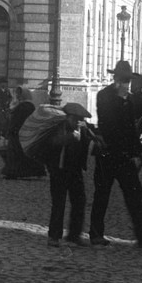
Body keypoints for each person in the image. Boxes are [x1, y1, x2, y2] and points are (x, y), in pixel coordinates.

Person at [88, 60, 142, 248]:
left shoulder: (129, 100)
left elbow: (131, 130)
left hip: (124, 157)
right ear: (115, 78)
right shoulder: (104, 96)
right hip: (107, 154)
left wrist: (139, 152)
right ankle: (96, 234)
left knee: (134, 195)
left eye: (128, 80)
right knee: (102, 195)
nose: (126, 83)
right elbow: (108, 125)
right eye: (123, 79)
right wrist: (120, 100)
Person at [45, 102, 96, 247]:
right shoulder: (59, 127)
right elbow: (55, 141)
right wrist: (71, 137)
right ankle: (54, 237)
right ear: (69, 117)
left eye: (81, 119)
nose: (79, 122)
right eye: (76, 119)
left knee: (79, 201)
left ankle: (74, 236)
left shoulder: (83, 128)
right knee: (59, 204)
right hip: (59, 170)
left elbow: (94, 134)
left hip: (75, 170)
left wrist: (96, 138)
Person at [0, 88, 47, 180]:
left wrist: (11, 130)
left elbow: (18, 120)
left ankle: (14, 173)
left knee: (16, 154)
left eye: (20, 94)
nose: (18, 96)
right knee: (19, 153)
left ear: (24, 95)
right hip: (20, 133)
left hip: (18, 133)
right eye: (18, 94)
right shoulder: (27, 105)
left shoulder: (25, 106)